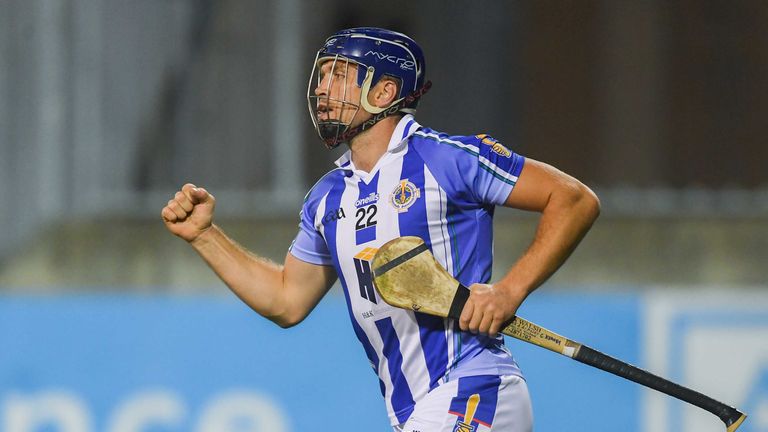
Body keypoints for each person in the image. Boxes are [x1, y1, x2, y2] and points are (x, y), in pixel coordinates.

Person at [161, 27, 600, 432]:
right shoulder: (327, 198)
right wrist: (205, 235)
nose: (320, 88)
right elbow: (285, 300)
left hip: (475, 388)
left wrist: (510, 290)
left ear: (385, 90)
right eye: (321, 76)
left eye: (339, 75)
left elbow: (574, 199)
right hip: (413, 410)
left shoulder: (449, 158)